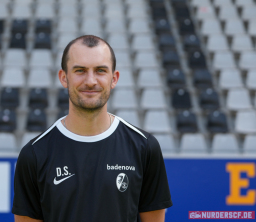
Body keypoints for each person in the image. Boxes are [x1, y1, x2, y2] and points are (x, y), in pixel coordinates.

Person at [12, 35, 173, 222]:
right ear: (64, 78)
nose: (90, 81)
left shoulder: (144, 147)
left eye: (100, 71)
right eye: (80, 70)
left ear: (114, 79)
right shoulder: (34, 154)